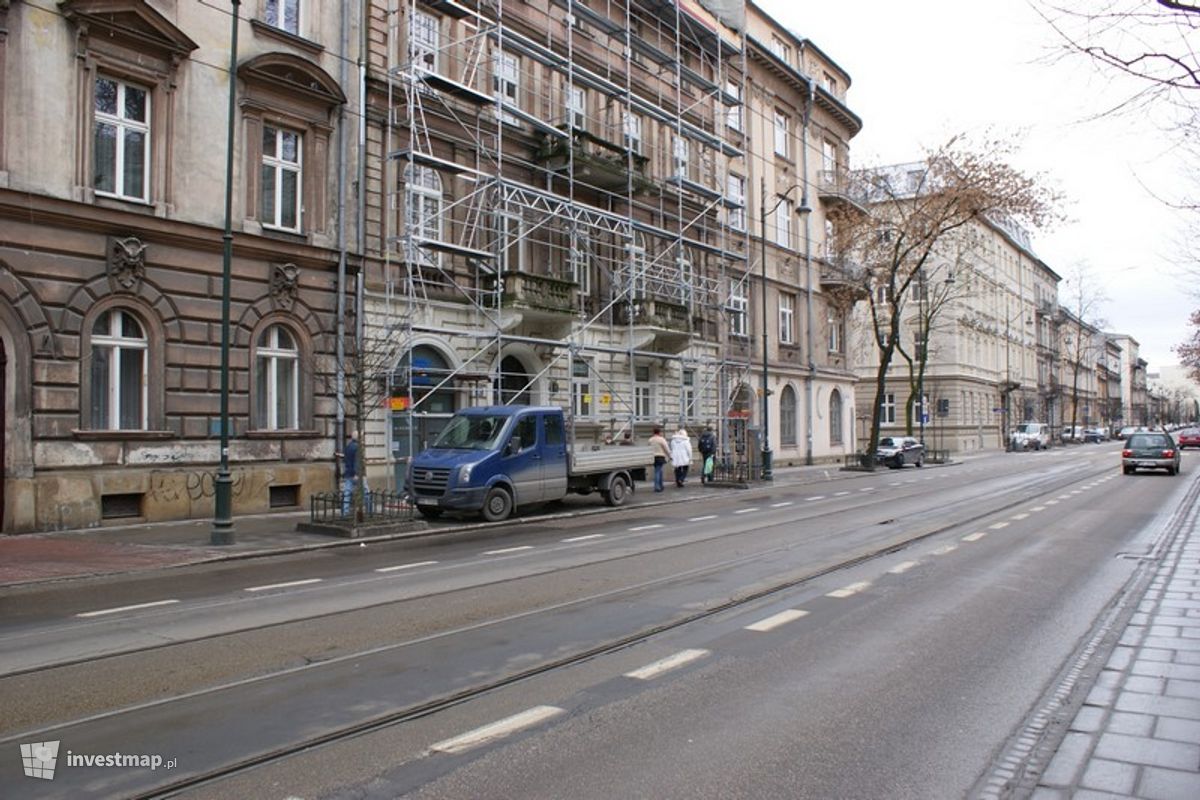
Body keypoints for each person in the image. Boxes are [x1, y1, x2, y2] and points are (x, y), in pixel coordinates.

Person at [340, 430, 360, 515]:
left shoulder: (348, 447)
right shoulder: (358, 447)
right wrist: (356, 473)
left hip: (348, 472)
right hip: (356, 474)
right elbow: (357, 461)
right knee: (366, 493)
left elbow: (345, 460)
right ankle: (369, 511)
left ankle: (345, 512)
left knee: (347, 493)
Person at [648, 427, 670, 492]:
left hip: (653, 457)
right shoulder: (661, 439)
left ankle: (661, 485)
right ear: (659, 432)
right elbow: (666, 448)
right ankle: (657, 486)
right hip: (660, 456)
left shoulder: (650, 440)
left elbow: (648, 448)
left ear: (653, 432)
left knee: (659, 471)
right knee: (658, 471)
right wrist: (669, 455)